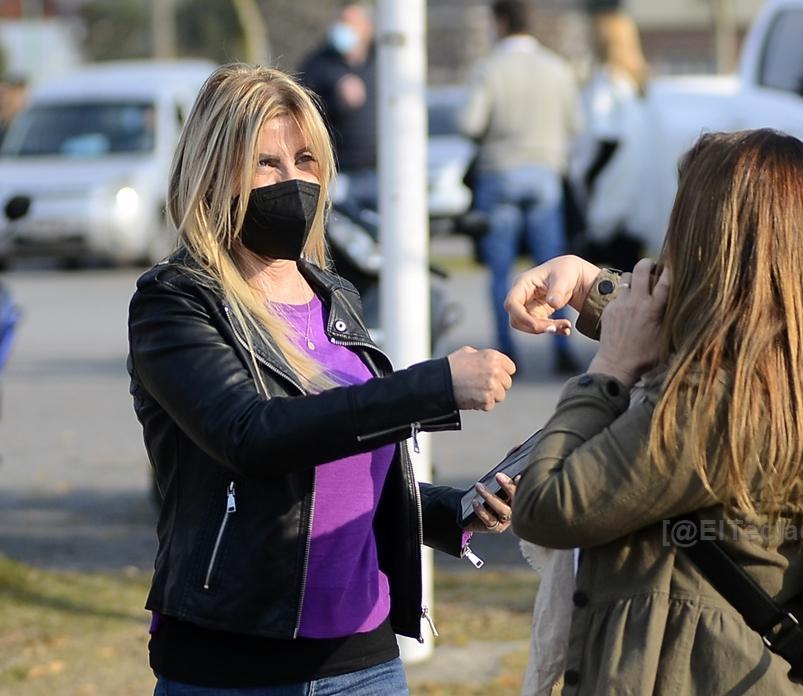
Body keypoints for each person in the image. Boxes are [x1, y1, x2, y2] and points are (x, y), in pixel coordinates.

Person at [127, 63, 519, 694]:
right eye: (266, 163)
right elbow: (254, 436)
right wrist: (431, 388)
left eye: (306, 159)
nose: (293, 181)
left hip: (364, 660)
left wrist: (457, 510)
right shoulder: (174, 303)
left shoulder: (333, 296)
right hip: (232, 662)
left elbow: (339, 473)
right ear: (213, 172)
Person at [505, 129, 803, 694]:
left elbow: (548, 508)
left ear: (709, 238)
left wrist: (611, 367)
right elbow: (697, 322)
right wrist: (588, 281)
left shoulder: (714, 400)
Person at [458, 0, 581, 374]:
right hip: (545, 174)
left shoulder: (490, 69)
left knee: (500, 269)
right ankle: (561, 345)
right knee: (554, 266)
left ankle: (508, 351)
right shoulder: (558, 67)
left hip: (501, 174)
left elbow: (470, 122)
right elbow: (576, 123)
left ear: (499, 21)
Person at [569, 10, 653, 270]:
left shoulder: (606, 83)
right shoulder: (636, 84)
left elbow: (605, 137)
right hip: (636, 197)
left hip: (608, 195)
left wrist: (588, 181)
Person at [299, 2, 378, 214]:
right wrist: (336, 101)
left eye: (350, 23)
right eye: (341, 21)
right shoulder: (318, 64)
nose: (343, 28)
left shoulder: (383, 61)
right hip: (338, 171)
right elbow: (302, 111)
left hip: (379, 171)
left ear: (368, 28)